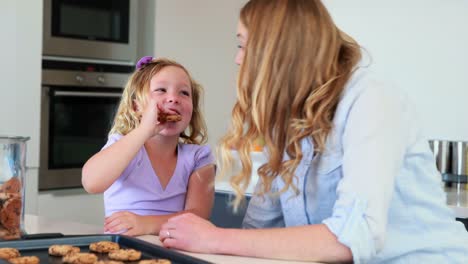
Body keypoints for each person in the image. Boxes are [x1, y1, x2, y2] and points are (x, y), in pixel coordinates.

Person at [158, 0, 468, 263]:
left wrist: (215, 239)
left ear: (281, 51)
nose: (238, 59)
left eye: (243, 45)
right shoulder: (287, 120)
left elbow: (352, 236)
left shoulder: (371, 100)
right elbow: (262, 228)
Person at [82, 57, 216, 237]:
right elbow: (91, 183)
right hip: (124, 249)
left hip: (175, 249)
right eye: (161, 90)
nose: (173, 98)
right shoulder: (124, 147)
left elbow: (199, 215)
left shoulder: (198, 158)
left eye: (184, 93)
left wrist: (147, 224)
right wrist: (144, 130)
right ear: (137, 106)